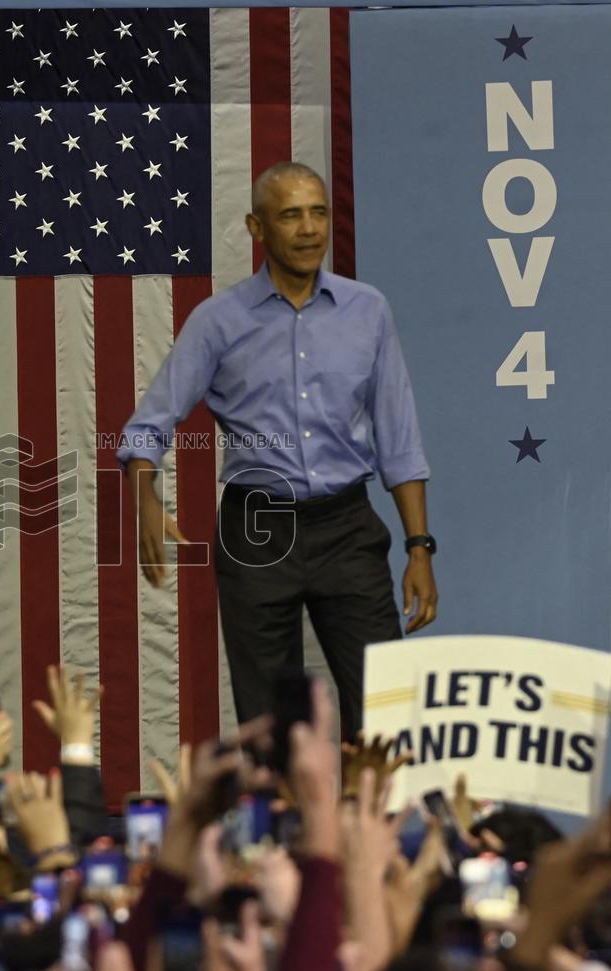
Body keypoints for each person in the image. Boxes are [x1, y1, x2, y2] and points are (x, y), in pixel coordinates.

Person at [118, 161, 439, 739]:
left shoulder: (369, 311)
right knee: (271, 729)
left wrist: (419, 547)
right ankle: (287, 828)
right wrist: (144, 495)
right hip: (257, 530)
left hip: (346, 526)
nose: (310, 228)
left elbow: (399, 439)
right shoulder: (218, 321)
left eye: (318, 212)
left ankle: (377, 828)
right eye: (291, 215)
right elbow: (149, 426)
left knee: (388, 715)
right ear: (257, 227)